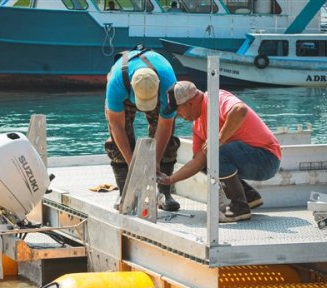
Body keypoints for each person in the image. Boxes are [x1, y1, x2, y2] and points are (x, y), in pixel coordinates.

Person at [158, 81, 281, 222]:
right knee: (206, 159)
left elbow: (240, 110)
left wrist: (218, 139)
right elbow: (198, 162)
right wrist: (170, 180)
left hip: (267, 158)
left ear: (189, 103)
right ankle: (248, 196)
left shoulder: (216, 99)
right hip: (251, 159)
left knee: (214, 151)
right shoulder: (197, 126)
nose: (177, 115)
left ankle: (240, 207)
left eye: (178, 110)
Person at [105, 47, 181, 211]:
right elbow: (117, 126)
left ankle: (164, 193)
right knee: (116, 142)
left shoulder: (168, 83)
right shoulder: (116, 82)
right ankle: (125, 190)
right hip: (125, 91)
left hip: (159, 93)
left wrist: (156, 163)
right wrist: (133, 165)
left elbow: (165, 125)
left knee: (168, 142)